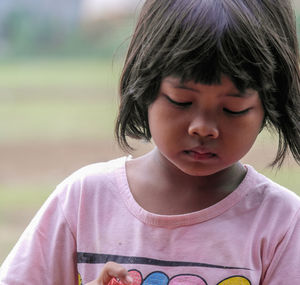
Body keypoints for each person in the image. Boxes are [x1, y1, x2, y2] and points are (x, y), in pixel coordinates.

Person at [1, 0, 300, 284]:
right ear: (145, 86)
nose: (203, 128)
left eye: (233, 109)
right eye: (181, 101)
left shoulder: (283, 223)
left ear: (270, 104)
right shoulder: (83, 201)